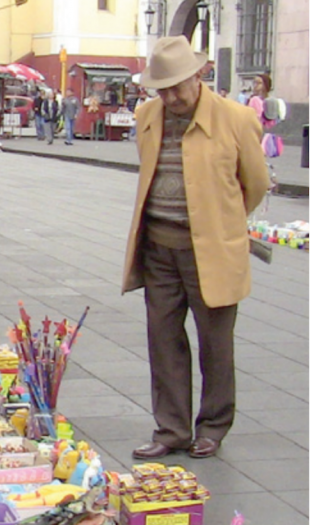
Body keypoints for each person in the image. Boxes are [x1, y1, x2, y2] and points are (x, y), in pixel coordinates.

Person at [122, 36, 270, 461]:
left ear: (198, 76)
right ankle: (171, 429)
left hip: (212, 251)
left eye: (177, 87)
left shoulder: (235, 119)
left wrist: (222, 220)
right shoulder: (148, 115)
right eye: (162, 89)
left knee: (215, 343)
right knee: (163, 339)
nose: (170, 97)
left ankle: (212, 427)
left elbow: (255, 183)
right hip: (159, 248)